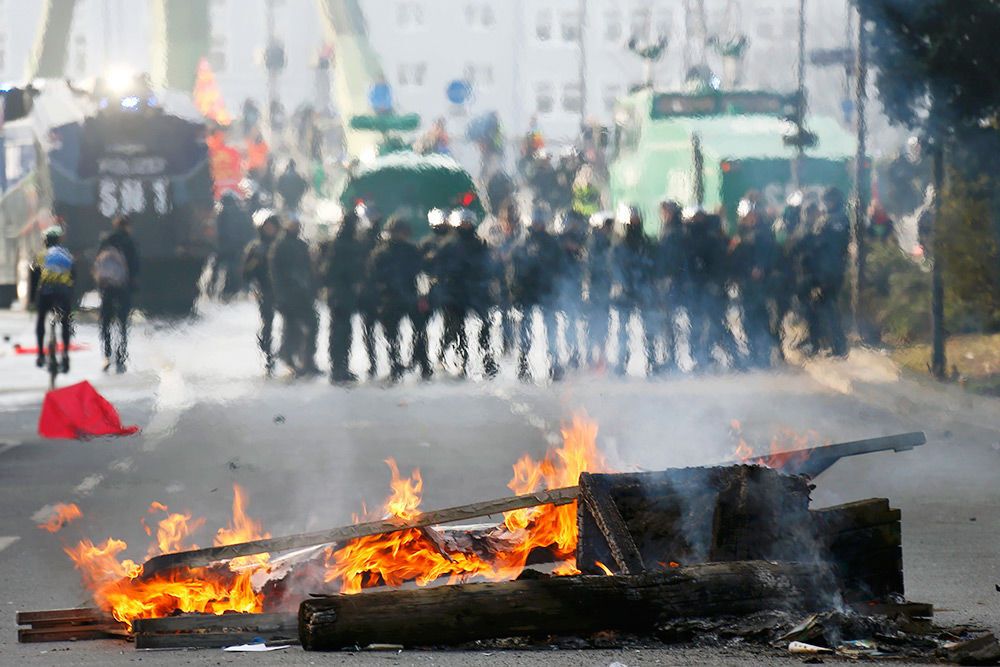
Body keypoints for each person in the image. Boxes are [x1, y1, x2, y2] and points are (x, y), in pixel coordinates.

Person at [435, 208, 498, 378]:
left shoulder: (480, 244)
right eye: (463, 222)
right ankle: (459, 360)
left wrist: (488, 283)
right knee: (455, 329)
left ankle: (487, 360)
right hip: (455, 293)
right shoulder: (447, 245)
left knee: (485, 326)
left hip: (476, 291)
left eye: (468, 222)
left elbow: (488, 267)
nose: (466, 225)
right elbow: (439, 270)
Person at [368, 214, 427, 382]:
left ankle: (419, 364)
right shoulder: (383, 252)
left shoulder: (408, 251)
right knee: (395, 336)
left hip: (404, 297)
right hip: (393, 298)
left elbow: (419, 273)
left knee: (416, 333)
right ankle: (399, 365)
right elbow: (375, 276)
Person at [510, 204, 563, 381]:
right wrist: (515, 290)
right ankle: (523, 364)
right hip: (527, 292)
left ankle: (554, 363)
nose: (539, 225)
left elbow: (559, 268)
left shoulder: (552, 243)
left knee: (551, 330)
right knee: (525, 329)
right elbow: (515, 270)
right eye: (536, 221)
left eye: (541, 221)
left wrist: (557, 289)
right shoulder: (522, 243)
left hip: (547, 291)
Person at [729, 197, 779, 368]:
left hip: (759, 284)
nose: (751, 218)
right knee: (748, 320)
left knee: (761, 318)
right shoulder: (740, 234)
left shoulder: (764, 233)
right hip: (745, 284)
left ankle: (764, 356)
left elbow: (769, 254)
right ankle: (753, 354)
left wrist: (761, 267)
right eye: (748, 215)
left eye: (753, 214)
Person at [268, 215, 319, 376]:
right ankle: (290, 359)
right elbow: (276, 273)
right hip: (288, 294)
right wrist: (280, 295)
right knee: (291, 328)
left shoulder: (301, 245)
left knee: (311, 325)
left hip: (302, 294)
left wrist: (312, 290)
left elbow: (309, 270)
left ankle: (307, 360)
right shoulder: (280, 246)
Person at [319, 211, 366, 383]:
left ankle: (340, 367)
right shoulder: (347, 246)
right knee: (341, 332)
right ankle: (339, 368)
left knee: (340, 332)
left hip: (338, 294)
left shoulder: (337, 245)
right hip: (342, 294)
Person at [612, 207, 657, 376]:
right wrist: (625, 285)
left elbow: (653, 267)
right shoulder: (620, 247)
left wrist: (648, 285)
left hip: (644, 290)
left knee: (649, 328)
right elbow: (615, 269)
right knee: (623, 330)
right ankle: (622, 362)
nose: (634, 223)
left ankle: (651, 360)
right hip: (627, 291)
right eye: (632, 220)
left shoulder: (647, 244)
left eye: (636, 220)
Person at [95, 215, 139, 373]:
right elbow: (135, 264)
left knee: (105, 321)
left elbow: (98, 261)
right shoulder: (129, 241)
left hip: (107, 286)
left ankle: (107, 355)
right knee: (122, 322)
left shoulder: (106, 240)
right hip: (123, 286)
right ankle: (121, 357)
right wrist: (132, 281)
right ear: (127, 226)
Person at [29, 225, 75, 373]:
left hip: (47, 291)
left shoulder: (41, 255)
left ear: (46, 241)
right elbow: (73, 276)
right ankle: (66, 356)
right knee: (65, 321)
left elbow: (35, 278)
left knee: (41, 318)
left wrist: (31, 301)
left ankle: (41, 354)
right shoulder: (67, 255)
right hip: (63, 291)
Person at [243, 209, 281, 375]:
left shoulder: (281, 245)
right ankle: (268, 354)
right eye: (267, 227)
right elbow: (247, 272)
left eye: (272, 227)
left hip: (282, 289)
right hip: (265, 290)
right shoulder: (256, 247)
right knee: (268, 323)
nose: (270, 230)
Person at [651, 200, 687, 374]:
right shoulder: (672, 230)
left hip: (672, 282)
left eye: (665, 211)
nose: (663, 215)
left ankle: (671, 359)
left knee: (667, 322)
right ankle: (670, 358)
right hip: (672, 281)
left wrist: (665, 278)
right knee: (667, 323)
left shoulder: (674, 232)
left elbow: (670, 260)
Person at [585, 213, 615, 368]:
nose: (609, 229)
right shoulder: (595, 243)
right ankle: (591, 357)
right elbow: (591, 267)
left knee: (603, 325)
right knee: (594, 324)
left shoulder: (609, 242)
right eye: (607, 226)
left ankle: (600, 357)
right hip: (595, 290)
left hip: (604, 291)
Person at [214, 191, 255, 299]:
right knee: (231, 269)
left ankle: (227, 290)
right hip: (232, 248)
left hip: (231, 248)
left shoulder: (222, 214)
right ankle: (229, 290)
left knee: (228, 269)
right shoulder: (241, 214)